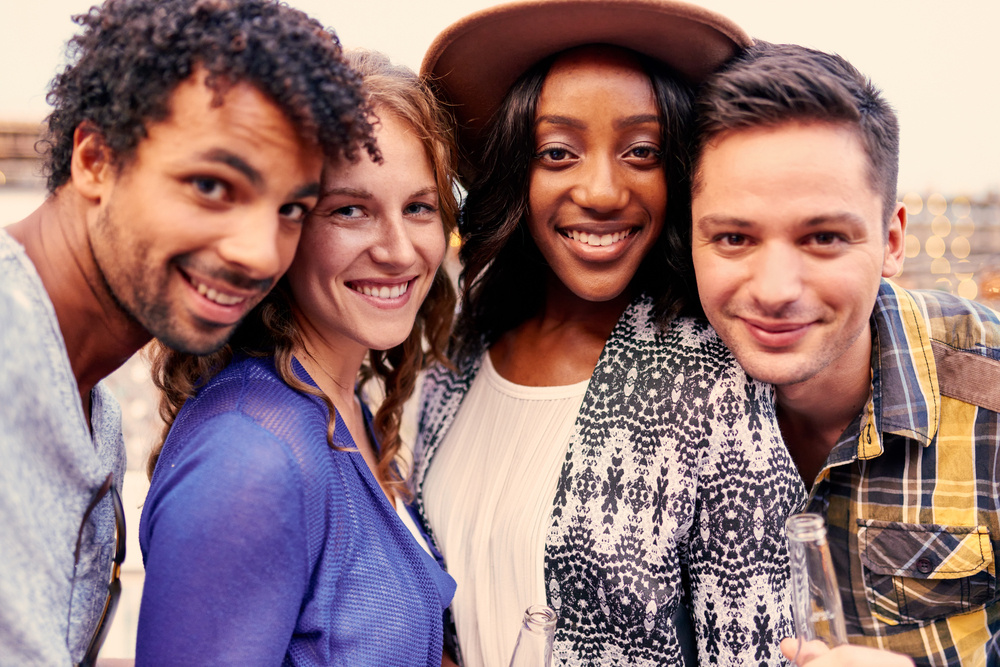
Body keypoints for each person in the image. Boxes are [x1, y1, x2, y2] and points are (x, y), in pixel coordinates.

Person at [412, 1, 801, 665]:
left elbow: (759, 650)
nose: (599, 190)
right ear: (516, 172)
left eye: (641, 151)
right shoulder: (463, 346)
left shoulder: (717, 380)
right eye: (557, 152)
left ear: (678, 170)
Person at [0, 0, 375, 664]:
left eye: (292, 207)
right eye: (211, 184)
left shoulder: (94, 413)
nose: (260, 252)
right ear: (94, 159)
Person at [135, 49, 459, 666]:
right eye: (350, 210)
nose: (399, 250)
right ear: (281, 226)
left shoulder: (341, 401)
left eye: (419, 206)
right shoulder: (251, 456)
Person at [688, 41, 1000, 666]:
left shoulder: (991, 395)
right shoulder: (651, 392)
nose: (776, 290)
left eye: (824, 237)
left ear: (892, 241)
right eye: (733, 237)